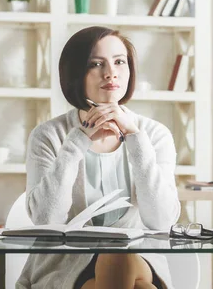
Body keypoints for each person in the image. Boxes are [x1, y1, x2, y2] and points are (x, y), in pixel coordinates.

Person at [16, 26, 181, 289]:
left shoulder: (154, 134)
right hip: (66, 264)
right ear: (75, 73)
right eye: (96, 64)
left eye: (119, 62)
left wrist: (135, 137)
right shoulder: (48, 136)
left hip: (138, 260)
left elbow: (161, 220)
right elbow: (47, 220)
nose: (110, 72)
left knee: (118, 255)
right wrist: (77, 142)